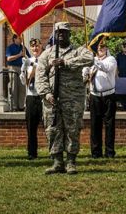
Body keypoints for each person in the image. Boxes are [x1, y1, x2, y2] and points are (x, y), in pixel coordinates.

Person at [36, 22, 93, 175]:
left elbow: (90, 59)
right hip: (52, 100)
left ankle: (71, 161)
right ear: (54, 35)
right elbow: (40, 76)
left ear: (69, 34)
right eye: (58, 32)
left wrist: (66, 62)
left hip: (73, 98)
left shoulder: (78, 51)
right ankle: (57, 161)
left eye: (64, 32)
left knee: (72, 129)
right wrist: (46, 93)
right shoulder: (47, 54)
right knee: (53, 129)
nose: (61, 34)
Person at [83, 39, 118, 158]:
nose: (100, 49)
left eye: (102, 47)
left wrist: (93, 59)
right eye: (98, 48)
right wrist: (85, 71)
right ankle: (96, 152)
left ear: (107, 48)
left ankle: (109, 151)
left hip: (108, 95)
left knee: (109, 125)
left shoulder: (111, 59)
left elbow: (106, 68)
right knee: (95, 125)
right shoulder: (92, 62)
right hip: (95, 96)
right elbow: (85, 78)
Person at [21, 37, 43, 160]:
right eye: (33, 47)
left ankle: (53, 152)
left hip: (42, 96)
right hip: (30, 96)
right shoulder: (27, 61)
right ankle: (32, 152)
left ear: (41, 46)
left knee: (48, 126)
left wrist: (34, 64)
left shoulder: (44, 60)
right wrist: (24, 69)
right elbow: (24, 81)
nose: (35, 48)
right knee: (31, 127)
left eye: (37, 46)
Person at [5, 34, 26, 112]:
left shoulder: (23, 47)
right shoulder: (10, 47)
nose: (20, 39)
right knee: (14, 87)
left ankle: (21, 106)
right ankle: (14, 106)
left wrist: (25, 55)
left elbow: (28, 58)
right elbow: (9, 58)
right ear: (14, 39)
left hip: (22, 68)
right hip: (13, 68)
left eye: (21, 38)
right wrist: (19, 55)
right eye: (19, 38)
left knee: (22, 88)